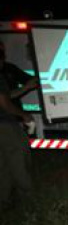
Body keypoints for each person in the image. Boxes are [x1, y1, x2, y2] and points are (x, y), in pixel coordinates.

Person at [0, 72, 34, 210]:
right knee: (18, 157)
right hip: (4, 124)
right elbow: (4, 102)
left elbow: (7, 95)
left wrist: (26, 87)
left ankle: (4, 200)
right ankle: (27, 197)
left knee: (3, 163)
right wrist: (24, 115)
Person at [0, 40, 39, 116]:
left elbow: (31, 81)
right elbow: (6, 97)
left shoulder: (10, 68)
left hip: (14, 115)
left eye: (2, 52)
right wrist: (26, 87)